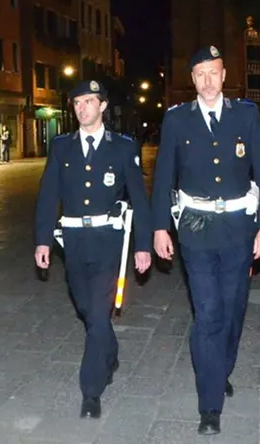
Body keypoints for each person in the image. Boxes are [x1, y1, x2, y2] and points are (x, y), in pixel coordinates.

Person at [150, 45, 260, 436]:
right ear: (192, 80)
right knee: (207, 314)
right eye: (200, 73)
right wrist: (159, 227)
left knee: (233, 311)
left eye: (214, 72)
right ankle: (210, 405)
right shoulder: (176, 121)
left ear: (224, 76)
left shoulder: (246, 115)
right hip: (196, 229)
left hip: (240, 229)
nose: (207, 80)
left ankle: (219, 368)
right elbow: (163, 177)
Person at [34, 79, 152, 419]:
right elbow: (47, 197)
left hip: (109, 241)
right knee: (88, 311)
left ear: (102, 106)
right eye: (77, 103)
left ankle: (91, 390)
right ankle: (110, 351)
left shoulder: (123, 147)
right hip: (72, 241)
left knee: (98, 313)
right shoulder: (61, 147)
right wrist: (42, 240)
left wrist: (143, 246)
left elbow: (139, 201)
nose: (82, 108)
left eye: (89, 101)